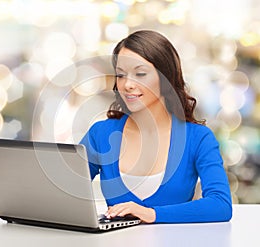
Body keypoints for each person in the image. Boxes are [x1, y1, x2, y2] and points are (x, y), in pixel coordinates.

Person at [80, 30, 232, 223]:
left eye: (140, 74)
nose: (127, 84)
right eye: (120, 75)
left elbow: (220, 205)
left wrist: (152, 214)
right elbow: (65, 192)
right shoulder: (101, 134)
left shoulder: (198, 138)